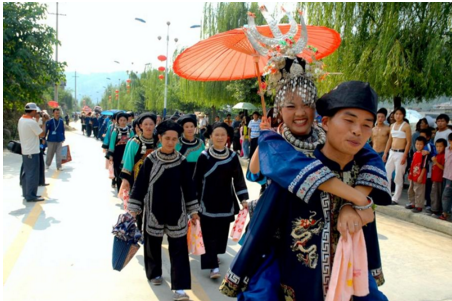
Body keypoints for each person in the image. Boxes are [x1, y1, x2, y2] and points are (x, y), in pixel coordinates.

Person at [221, 80, 390, 300]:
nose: (357, 130)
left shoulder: (358, 160)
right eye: (349, 120)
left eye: (367, 124)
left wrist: (353, 203)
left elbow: (373, 159)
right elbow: (264, 170)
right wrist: (360, 200)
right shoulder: (280, 147)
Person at [128, 120, 200, 301]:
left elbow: (189, 188)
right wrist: (134, 209)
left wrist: (193, 211)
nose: (170, 142)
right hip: (154, 211)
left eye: (174, 139)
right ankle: (155, 273)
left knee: (179, 250)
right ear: (159, 138)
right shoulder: (151, 160)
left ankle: (180, 288)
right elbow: (140, 185)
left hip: (177, 212)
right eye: (167, 138)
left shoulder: (182, 161)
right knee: (152, 245)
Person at [193, 122, 249, 279]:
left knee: (221, 234)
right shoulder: (204, 157)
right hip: (206, 201)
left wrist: (243, 198)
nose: (219, 137)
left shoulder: (232, 156)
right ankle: (213, 266)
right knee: (208, 233)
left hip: (226, 201)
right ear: (210, 136)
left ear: (227, 137)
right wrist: (193, 204)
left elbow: (238, 179)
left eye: (222, 135)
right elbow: (196, 181)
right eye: (216, 134)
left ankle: (214, 255)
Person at [120, 113, 157, 231]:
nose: (148, 127)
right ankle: (139, 229)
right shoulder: (134, 142)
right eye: (145, 124)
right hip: (137, 179)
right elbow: (129, 161)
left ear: (155, 125)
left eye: (151, 124)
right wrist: (125, 180)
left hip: (156, 178)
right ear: (140, 125)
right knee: (138, 205)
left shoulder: (159, 141)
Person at [18, 103, 47, 202]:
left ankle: (26, 193)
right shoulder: (31, 122)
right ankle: (31, 195)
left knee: (27, 173)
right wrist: (44, 122)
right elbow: (42, 134)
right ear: (33, 111)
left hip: (25, 150)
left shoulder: (21, 120)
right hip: (32, 151)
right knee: (32, 174)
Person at [383, 107, 412, 205]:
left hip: (401, 153)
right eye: (396, 114)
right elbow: (389, 140)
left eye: (400, 114)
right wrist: (385, 153)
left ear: (403, 115)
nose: (398, 116)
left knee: (398, 177)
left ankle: (395, 198)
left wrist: (405, 155)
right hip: (392, 152)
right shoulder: (392, 125)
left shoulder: (406, 126)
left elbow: (408, 142)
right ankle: (387, 194)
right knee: (387, 173)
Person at [106, 113, 134, 192]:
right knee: (118, 171)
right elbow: (112, 143)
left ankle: (127, 188)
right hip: (118, 153)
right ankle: (120, 189)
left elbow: (134, 140)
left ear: (127, 120)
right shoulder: (115, 131)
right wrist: (111, 154)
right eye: (121, 120)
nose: (123, 122)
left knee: (127, 171)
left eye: (124, 120)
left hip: (128, 152)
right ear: (118, 121)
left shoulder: (130, 130)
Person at [405, 136, 428, 213]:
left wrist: (421, 176)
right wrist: (410, 175)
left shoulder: (424, 155)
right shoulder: (415, 153)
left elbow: (424, 167)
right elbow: (412, 165)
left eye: (420, 144)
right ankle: (412, 203)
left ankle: (419, 206)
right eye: (417, 144)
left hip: (419, 176)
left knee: (419, 191)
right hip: (412, 175)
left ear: (424, 145)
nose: (418, 146)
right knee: (411, 190)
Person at [430, 138, 447, 218]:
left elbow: (443, 168)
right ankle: (434, 208)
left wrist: (436, 162)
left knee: (437, 194)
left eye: (440, 146)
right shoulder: (437, 155)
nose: (438, 148)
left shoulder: (443, 156)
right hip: (435, 178)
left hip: (439, 179)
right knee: (434, 194)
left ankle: (436, 210)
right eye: (437, 146)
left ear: (445, 147)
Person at [439, 133, 452, 221]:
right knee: (446, 195)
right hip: (446, 175)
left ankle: (445, 213)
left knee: (446, 195)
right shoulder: (447, 149)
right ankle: (446, 212)